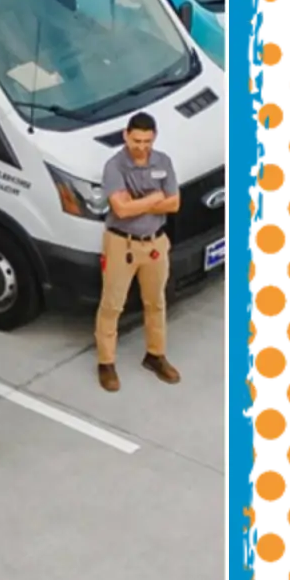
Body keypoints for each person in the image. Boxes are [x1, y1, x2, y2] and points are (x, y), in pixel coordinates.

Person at [95, 111, 184, 393]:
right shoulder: (114, 166)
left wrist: (140, 202)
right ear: (126, 135)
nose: (141, 146)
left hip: (155, 242)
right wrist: (155, 197)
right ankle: (106, 362)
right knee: (112, 305)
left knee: (156, 302)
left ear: (154, 137)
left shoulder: (163, 162)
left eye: (147, 140)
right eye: (136, 140)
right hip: (122, 243)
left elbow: (174, 204)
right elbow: (120, 210)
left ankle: (155, 355)